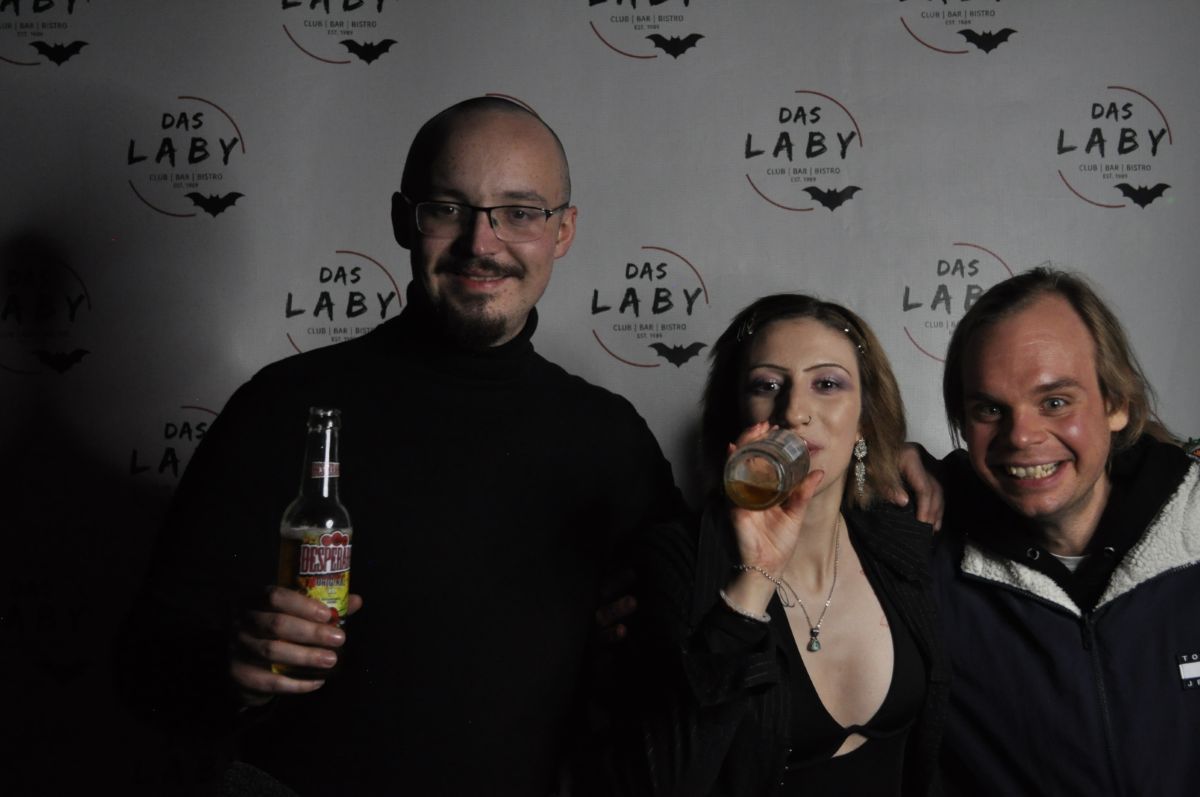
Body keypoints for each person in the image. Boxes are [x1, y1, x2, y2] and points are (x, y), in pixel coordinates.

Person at [129, 97, 686, 796]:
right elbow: (146, 667)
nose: (482, 244)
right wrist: (231, 668)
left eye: (520, 212)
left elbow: (682, 663)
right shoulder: (284, 406)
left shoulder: (610, 437)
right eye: (448, 208)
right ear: (403, 220)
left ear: (563, 230)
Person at [577, 293, 948, 796]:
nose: (794, 411)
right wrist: (754, 581)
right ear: (736, 413)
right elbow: (661, 783)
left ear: (864, 416)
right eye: (767, 385)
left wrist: (917, 456)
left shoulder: (900, 536)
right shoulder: (675, 560)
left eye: (827, 384)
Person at [932, 266, 1198, 796]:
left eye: (1055, 402)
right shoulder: (924, 558)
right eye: (989, 409)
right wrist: (876, 463)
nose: (1021, 436)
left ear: (1117, 403)